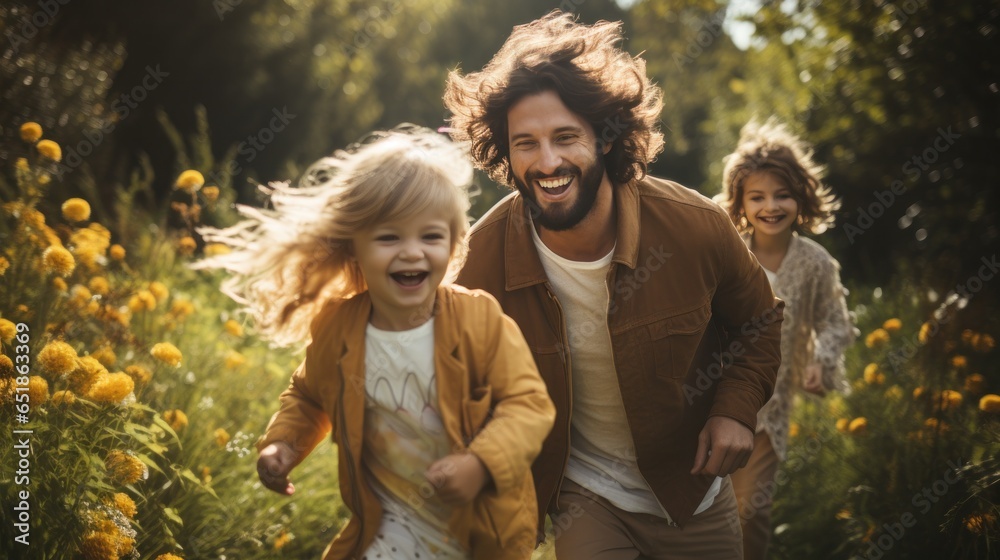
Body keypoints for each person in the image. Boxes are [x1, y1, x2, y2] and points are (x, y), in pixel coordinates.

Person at [444, 11, 784, 560]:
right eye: (525, 143)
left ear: (605, 139)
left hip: (693, 493)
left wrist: (734, 410)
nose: (547, 161)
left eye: (565, 137)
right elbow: (441, 361)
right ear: (504, 152)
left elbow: (760, 323)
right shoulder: (482, 256)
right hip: (586, 498)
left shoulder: (694, 225)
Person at [196, 126, 556, 560]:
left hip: (478, 537)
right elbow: (309, 396)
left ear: (454, 243)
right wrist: (284, 445)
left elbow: (529, 403)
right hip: (384, 533)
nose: (411, 253)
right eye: (389, 237)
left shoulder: (479, 319)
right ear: (354, 248)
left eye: (430, 237)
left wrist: (481, 463)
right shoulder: (339, 328)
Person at [715, 118, 856, 560]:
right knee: (705, 509)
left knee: (748, 508)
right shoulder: (727, 252)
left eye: (782, 195)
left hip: (769, 413)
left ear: (801, 198)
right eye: (756, 197)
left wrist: (822, 358)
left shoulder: (814, 264)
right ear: (739, 201)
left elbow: (836, 321)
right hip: (713, 400)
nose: (770, 206)